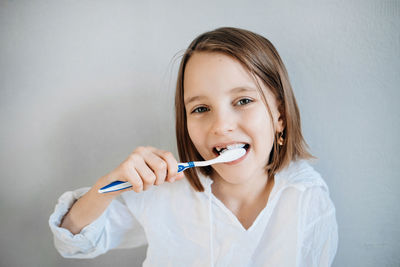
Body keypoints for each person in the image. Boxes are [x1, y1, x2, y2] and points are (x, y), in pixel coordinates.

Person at [49, 27, 338, 266]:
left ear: (280, 117)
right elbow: (72, 242)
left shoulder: (307, 200)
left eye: (243, 101)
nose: (221, 126)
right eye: (201, 108)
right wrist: (109, 184)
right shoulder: (163, 192)